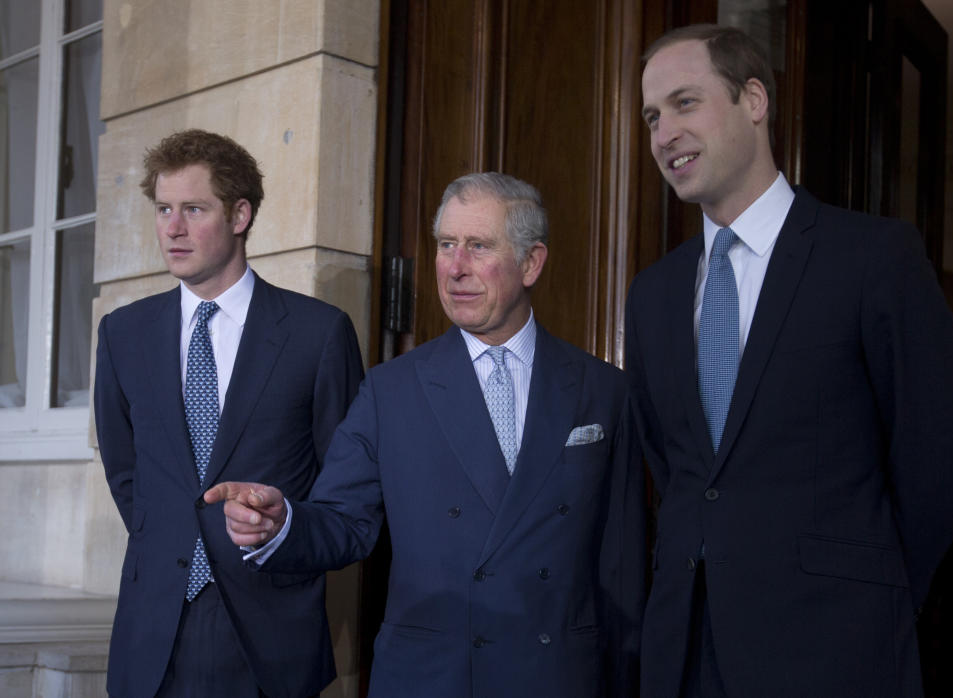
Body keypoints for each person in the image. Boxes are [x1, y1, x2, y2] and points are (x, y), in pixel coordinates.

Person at [206, 172, 645, 697]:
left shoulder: (603, 392)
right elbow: (343, 521)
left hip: (559, 678)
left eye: (478, 246)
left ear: (531, 263)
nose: (455, 268)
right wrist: (281, 524)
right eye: (445, 245)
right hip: (431, 678)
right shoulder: (391, 390)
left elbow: (624, 568)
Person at [628, 23, 953, 698]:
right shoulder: (653, 293)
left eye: (685, 103)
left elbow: (938, 465)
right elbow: (677, 468)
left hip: (837, 652)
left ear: (755, 100)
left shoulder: (873, 259)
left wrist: (874, 598)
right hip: (684, 656)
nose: (663, 134)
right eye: (652, 116)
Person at [94, 129, 363, 698]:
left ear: (240, 215)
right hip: (151, 635)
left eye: (194, 209)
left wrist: (280, 528)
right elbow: (127, 475)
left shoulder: (319, 335)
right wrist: (171, 539)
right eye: (164, 209)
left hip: (268, 633)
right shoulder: (123, 334)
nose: (173, 227)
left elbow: (351, 501)